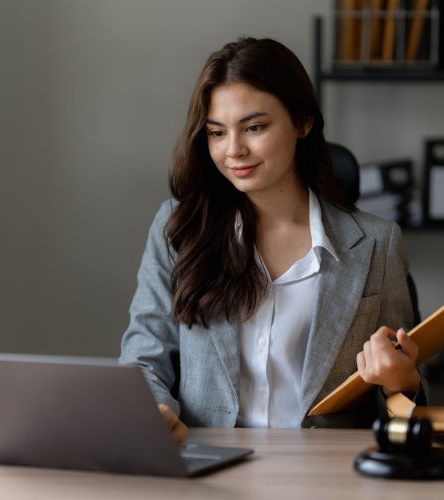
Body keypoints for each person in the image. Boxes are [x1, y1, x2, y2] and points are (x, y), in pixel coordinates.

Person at [120, 37, 426, 443]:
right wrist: (153, 411)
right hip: (206, 464)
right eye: (216, 132)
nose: (233, 151)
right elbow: (144, 359)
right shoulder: (178, 229)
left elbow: (405, 402)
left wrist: (400, 382)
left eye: (254, 127)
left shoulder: (377, 244)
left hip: (326, 476)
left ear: (303, 123)